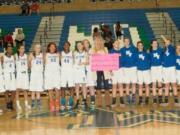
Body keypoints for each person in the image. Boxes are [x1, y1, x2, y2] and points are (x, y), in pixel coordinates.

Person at [92, 37, 110, 108]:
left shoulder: (105, 49)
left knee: (106, 86)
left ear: (103, 42)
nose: (99, 42)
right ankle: (99, 103)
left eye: (101, 41)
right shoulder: (93, 49)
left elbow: (108, 59)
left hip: (105, 69)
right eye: (97, 41)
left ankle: (108, 103)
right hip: (97, 69)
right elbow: (92, 59)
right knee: (98, 86)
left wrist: (110, 69)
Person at [161, 35, 179, 106]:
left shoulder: (172, 49)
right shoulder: (163, 51)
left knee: (174, 84)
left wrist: (163, 38)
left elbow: (168, 44)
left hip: (172, 68)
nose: (167, 43)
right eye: (165, 42)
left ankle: (177, 101)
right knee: (166, 85)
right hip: (165, 69)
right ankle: (165, 101)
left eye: (168, 42)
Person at [120, 37, 137, 105]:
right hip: (125, 68)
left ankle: (133, 97)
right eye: (125, 41)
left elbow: (136, 57)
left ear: (129, 42)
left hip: (133, 68)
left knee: (133, 83)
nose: (127, 42)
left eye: (128, 41)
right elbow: (121, 59)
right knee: (127, 84)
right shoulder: (122, 50)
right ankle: (127, 97)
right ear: (124, 42)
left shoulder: (133, 48)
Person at [44, 42, 61, 112]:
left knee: (57, 88)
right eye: (51, 47)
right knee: (50, 88)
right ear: (48, 48)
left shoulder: (58, 54)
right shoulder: (46, 55)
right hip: (48, 73)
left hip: (56, 73)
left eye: (54, 47)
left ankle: (57, 102)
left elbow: (60, 62)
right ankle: (51, 103)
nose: (53, 48)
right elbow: (43, 63)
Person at [109, 40, 125, 107]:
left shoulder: (122, 51)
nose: (117, 44)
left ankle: (121, 101)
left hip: (121, 69)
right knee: (114, 86)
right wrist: (110, 70)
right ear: (113, 44)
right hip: (114, 70)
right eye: (116, 43)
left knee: (120, 85)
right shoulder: (111, 51)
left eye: (118, 43)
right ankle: (114, 101)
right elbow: (108, 61)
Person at [15, 44, 31, 111]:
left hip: (25, 75)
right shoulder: (15, 56)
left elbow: (29, 66)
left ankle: (26, 104)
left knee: (25, 90)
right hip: (19, 74)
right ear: (18, 49)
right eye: (21, 48)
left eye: (23, 48)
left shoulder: (26, 56)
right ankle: (18, 105)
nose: (23, 49)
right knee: (17, 90)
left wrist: (29, 63)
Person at [60, 41, 74, 112]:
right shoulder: (61, 54)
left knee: (71, 87)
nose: (66, 46)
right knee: (63, 87)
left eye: (67, 45)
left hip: (70, 72)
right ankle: (63, 103)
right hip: (63, 72)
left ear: (69, 46)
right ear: (63, 46)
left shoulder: (72, 53)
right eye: (65, 45)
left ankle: (70, 102)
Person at [29, 44, 44, 110]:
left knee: (38, 89)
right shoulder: (31, 55)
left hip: (40, 74)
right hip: (33, 74)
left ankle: (38, 102)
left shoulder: (42, 55)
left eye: (39, 47)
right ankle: (32, 102)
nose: (38, 48)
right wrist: (30, 62)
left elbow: (43, 63)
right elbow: (29, 65)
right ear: (34, 48)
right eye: (36, 47)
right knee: (33, 89)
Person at [74, 41, 88, 109]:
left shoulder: (85, 53)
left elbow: (88, 62)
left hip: (82, 71)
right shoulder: (75, 53)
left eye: (80, 45)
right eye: (77, 45)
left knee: (83, 87)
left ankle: (84, 101)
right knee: (77, 87)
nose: (79, 46)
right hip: (76, 72)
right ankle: (77, 101)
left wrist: (82, 63)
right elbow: (73, 62)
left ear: (82, 46)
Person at [2, 44, 16, 110]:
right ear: (6, 50)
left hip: (12, 75)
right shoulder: (2, 57)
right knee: (6, 90)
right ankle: (8, 103)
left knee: (14, 90)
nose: (10, 50)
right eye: (9, 49)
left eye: (11, 49)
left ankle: (11, 102)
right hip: (6, 75)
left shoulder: (14, 57)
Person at [149, 39, 163, 104]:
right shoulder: (149, 52)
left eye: (156, 43)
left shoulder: (160, 50)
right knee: (154, 83)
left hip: (160, 67)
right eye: (154, 43)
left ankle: (160, 98)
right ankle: (154, 98)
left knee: (159, 83)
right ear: (151, 44)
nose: (155, 44)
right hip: (153, 68)